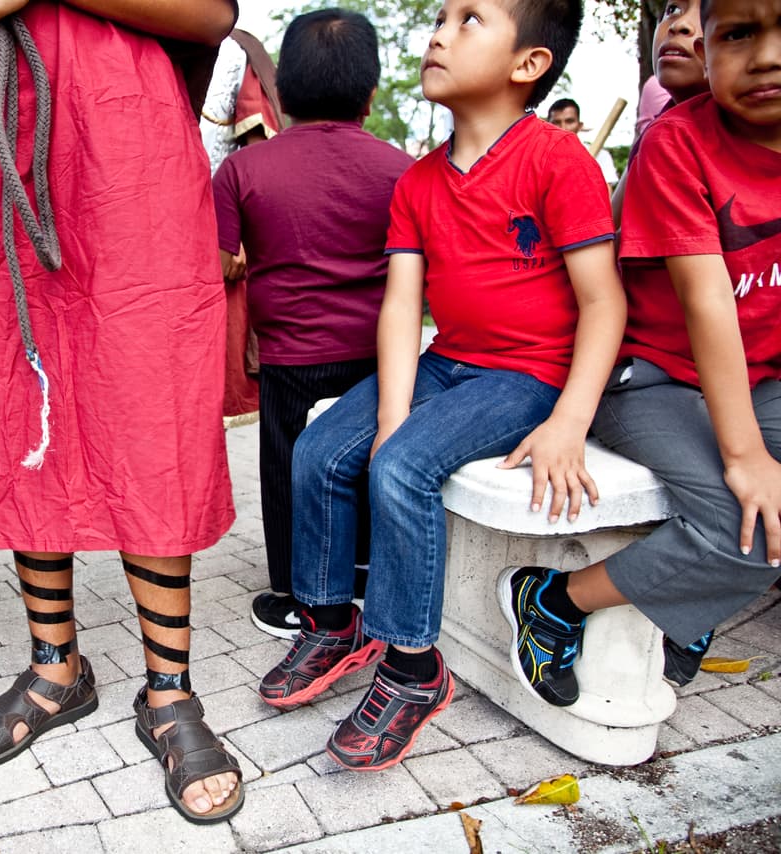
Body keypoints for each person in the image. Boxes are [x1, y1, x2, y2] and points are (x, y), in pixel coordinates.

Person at [0, 0, 244, 823]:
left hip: (122, 145)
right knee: (6, 402)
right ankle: (54, 668)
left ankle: (169, 690)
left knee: (147, 409)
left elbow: (212, 13)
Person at [258, 0, 625, 772]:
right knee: (321, 448)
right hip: (447, 359)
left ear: (529, 66)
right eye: (440, 18)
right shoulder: (419, 181)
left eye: (469, 20)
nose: (437, 34)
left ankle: (414, 668)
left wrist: (569, 419)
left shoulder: (558, 160)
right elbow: (400, 305)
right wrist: (392, 410)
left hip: (528, 373)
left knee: (402, 467)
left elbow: (604, 301)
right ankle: (331, 622)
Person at [501, 0, 781, 705]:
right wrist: (746, 459)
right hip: (654, 375)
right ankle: (555, 601)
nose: (767, 55)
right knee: (741, 526)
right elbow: (707, 300)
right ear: (710, 49)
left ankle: (696, 598)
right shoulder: (679, 142)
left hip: (763, 375)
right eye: (741, 34)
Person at [212, 9, 413, 641]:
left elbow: (219, 264)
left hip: (290, 354)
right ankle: (363, 569)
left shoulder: (243, 171)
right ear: (371, 94)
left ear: (283, 94)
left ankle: (292, 589)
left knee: (283, 461)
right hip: (380, 351)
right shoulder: (403, 170)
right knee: (371, 451)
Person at [201, 28, 284, 431]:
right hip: (139, 219)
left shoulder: (235, 51)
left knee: (210, 376)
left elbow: (258, 154)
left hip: (214, 233)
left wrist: (242, 234)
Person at [611, 0, 708, 224]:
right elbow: (609, 231)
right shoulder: (656, 135)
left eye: (705, 12)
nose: (679, 25)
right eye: (672, 9)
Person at [546, 97, 620, 186]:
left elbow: (607, 196)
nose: (563, 128)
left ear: (579, 125)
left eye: (569, 121)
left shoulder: (601, 156)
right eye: (556, 122)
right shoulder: (538, 159)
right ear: (547, 126)